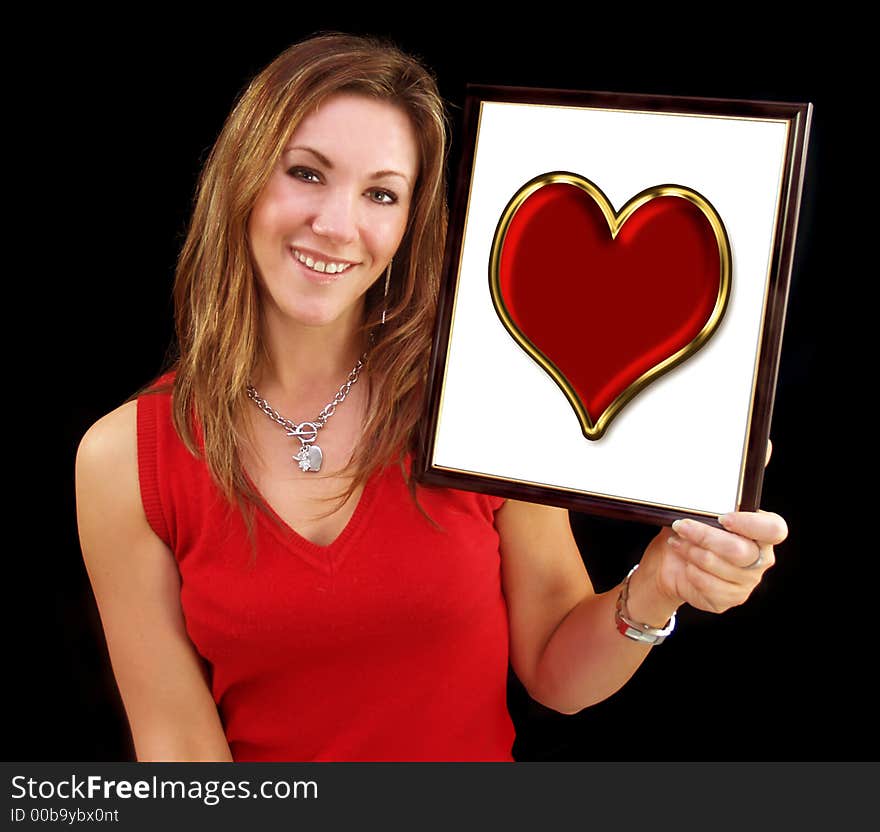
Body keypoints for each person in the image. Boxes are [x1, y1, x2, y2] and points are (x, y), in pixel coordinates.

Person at [74, 32, 788, 763]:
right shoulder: (123, 461)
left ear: (410, 223)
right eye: (306, 173)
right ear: (243, 176)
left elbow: (555, 672)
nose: (337, 224)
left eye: (380, 193)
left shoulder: (478, 407)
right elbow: (182, 754)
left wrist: (661, 581)